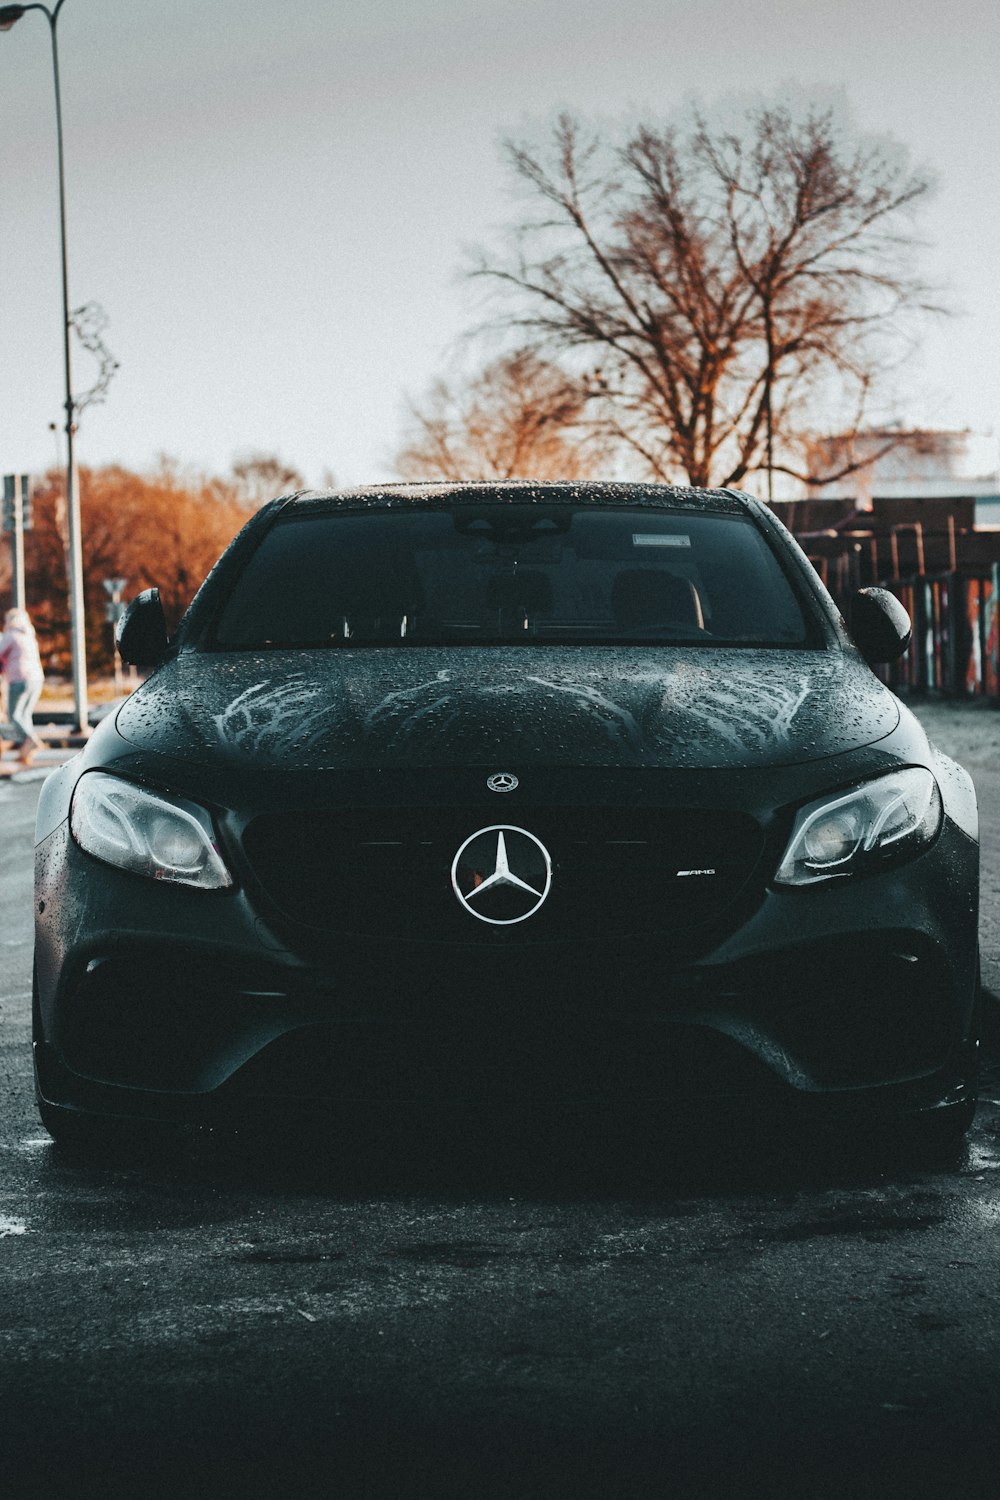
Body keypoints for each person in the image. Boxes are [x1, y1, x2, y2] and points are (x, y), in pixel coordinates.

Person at [0, 607, 45, 767]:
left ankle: (31, 741)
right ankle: (26, 752)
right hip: (37, 679)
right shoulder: (29, 635)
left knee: (15, 716)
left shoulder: (11, 635)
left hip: (19, 679)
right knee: (25, 715)